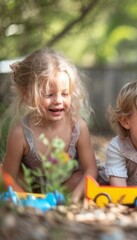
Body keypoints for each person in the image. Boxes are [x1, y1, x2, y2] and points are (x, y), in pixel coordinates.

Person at [1, 48, 98, 203]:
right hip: (32, 191)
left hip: (66, 188)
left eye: (65, 94)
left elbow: (91, 169)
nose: (58, 100)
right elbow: (8, 176)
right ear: (27, 94)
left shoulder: (78, 127)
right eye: (49, 94)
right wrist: (26, 200)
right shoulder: (20, 133)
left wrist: (74, 197)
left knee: (80, 177)